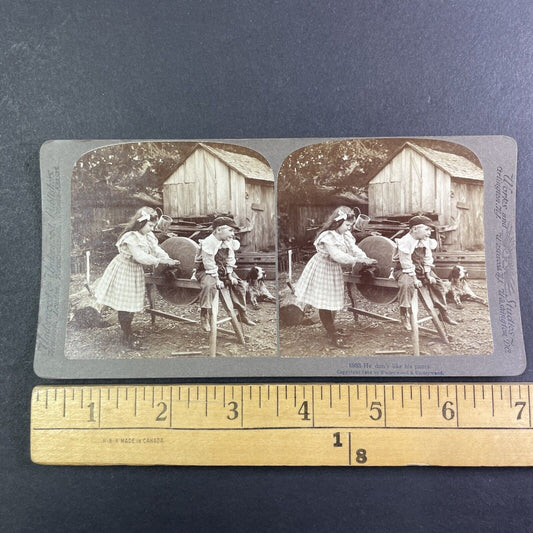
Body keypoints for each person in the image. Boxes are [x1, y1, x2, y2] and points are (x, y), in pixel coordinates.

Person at [95, 207, 180, 349]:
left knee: (131, 303)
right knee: (124, 304)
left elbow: (156, 250)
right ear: (141, 223)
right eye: (150, 226)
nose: (152, 229)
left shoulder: (148, 236)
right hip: (124, 269)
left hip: (134, 270)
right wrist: (161, 262)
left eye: (154, 226)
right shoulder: (131, 237)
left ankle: (127, 331)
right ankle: (127, 335)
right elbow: (140, 257)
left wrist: (167, 258)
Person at [294, 206, 377, 348]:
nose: (349, 228)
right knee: (324, 303)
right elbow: (337, 256)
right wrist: (358, 261)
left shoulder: (345, 235)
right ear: (338, 222)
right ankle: (333, 335)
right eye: (347, 225)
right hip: (322, 268)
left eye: (351, 225)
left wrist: (364, 257)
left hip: (333, 269)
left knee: (331, 302)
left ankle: (331, 329)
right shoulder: (328, 236)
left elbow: (353, 249)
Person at [393, 215, 458, 331]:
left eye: (430, 230)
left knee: (438, 283)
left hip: (420, 268)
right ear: (415, 229)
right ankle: (404, 315)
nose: (429, 233)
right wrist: (415, 279)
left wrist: (428, 274)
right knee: (407, 285)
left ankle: (443, 312)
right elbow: (406, 263)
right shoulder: (405, 242)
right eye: (427, 230)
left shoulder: (425, 241)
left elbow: (428, 258)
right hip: (404, 269)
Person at [194, 216, 256, 332]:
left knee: (240, 284)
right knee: (209, 285)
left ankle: (242, 313)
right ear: (218, 230)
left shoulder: (227, 242)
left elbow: (230, 259)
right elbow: (209, 264)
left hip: (221, 269)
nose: (233, 234)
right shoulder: (208, 242)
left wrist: (230, 275)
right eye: (230, 230)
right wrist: (217, 279)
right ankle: (204, 315)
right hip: (206, 270)